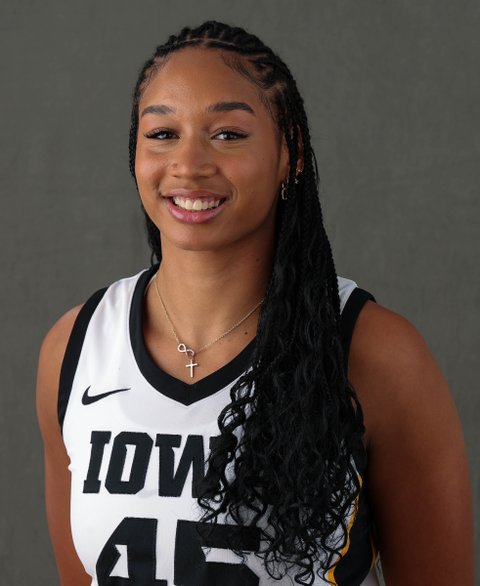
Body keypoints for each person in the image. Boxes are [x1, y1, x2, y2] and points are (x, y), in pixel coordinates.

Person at [36, 21, 473, 586]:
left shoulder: (374, 352)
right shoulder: (75, 349)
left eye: (227, 134)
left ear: (290, 152)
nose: (189, 164)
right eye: (163, 133)